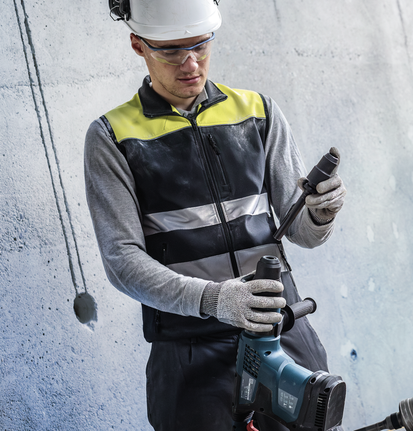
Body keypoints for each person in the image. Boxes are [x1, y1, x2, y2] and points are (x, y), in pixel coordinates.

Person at [84, 1, 346, 429]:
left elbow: (302, 232)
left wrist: (321, 213)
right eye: (171, 51)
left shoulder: (258, 112)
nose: (190, 64)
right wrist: (214, 300)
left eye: (200, 46)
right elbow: (122, 261)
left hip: (281, 333)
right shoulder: (113, 137)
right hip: (190, 354)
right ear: (138, 44)